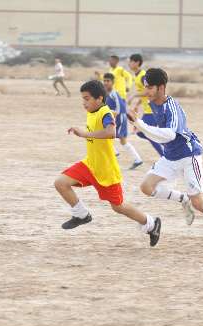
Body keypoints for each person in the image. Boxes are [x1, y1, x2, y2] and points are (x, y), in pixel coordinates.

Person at [127, 68, 203, 249]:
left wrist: (140, 124)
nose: (146, 92)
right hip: (170, 156)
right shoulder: (154, 103)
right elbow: (159, 136)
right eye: (145, 87)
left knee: (198, 202)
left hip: (189, 156)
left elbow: (169, 135)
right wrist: (137, 118)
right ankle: (183, 199)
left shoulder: (171, 107)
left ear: (161, 87)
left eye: (149, 88)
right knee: (146, 187)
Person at [54, 80, 161, 247]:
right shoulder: (95, 110)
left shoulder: (104, 112)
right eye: (82, 99)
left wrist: (84, 133)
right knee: (60, 183)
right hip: (90, 164)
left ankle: (151, 224)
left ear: (99, 98)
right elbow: (102, 121)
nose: (84, 103)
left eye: (87, 99)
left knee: (118, 207)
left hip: (106, 170)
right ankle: (81, 215)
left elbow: (111, 132)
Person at [102, 73, 143, 170]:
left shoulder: (114, 93)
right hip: (113, 118)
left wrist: (113, 114)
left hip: (120, 118)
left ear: (113, 82)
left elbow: (121, 108)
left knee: (119, 139)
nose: (106, 83)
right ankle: (136, 159)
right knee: (114, 139)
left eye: (108, 81)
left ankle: (116, 154)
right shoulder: (105, 94)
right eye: (104, 81)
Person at [127, 54, 164, 156]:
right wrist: (137, 105)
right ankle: (165, 148)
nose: (129, 63)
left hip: (152, 110)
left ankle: (165, 155)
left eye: (131, 61)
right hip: (148, 110)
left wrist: (133, 95)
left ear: (137, 62)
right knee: (141, 133)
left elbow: (148, 92)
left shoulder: (143, 76)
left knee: (145, 133)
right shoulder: (137, 75)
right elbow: (143, 92)